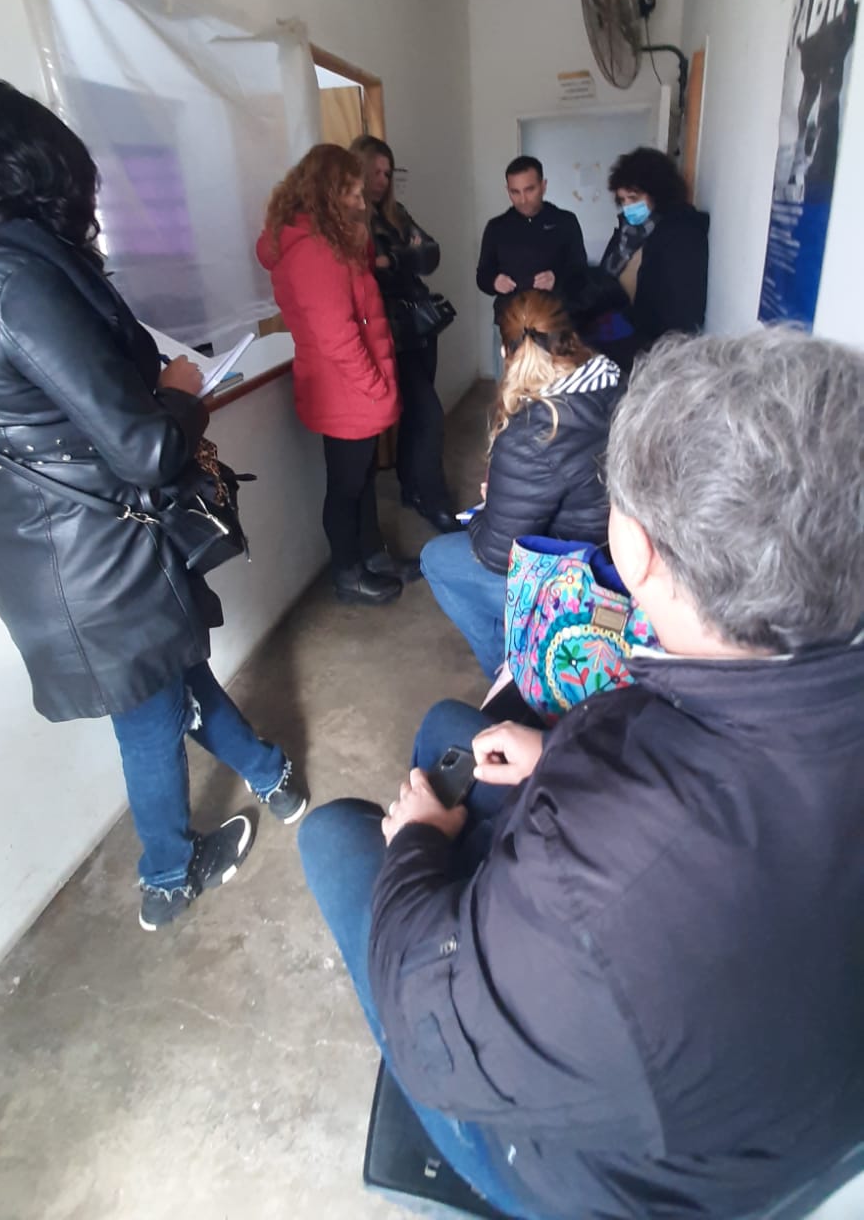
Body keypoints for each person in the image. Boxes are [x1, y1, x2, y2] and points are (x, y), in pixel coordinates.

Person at [299, 325, 864, 1220]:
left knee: (336, 834)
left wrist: (414, 851)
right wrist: (557, 754)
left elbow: (437, 1032)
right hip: (781, 1104)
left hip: (616, 1183)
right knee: (454, 730)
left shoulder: (601, 885)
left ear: (636, 550)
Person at [0, 80, 305, 934]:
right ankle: (167, 877)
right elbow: (146, 449)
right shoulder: (12, 282)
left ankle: (270, 774)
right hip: (98, 558)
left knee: (172, 680)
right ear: (34, 165)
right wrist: (182, 390)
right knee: (150, 718)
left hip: (42, 552)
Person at [421, 290, 620, 679]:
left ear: (504, 352)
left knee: (437, 558)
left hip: (574, 582)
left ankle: (514, 675)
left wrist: (485, 512)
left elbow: (497, 556)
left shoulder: (532, 434)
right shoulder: (614, 382)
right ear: (571, 338)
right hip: (613, 558)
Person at [258, 143, 413, 605]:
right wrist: (375, 387)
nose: (361, 202)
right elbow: (338, 337)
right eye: (352, 192)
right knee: (346, 487)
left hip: (344, 387)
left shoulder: (328, 241)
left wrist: (358, 233)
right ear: (327, 191)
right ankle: (349, 574)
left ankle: (374, 556)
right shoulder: (313, 251)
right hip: (345, 388)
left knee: (360, 480)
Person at [353, 133, 455, 534]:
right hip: (388, 331)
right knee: (429, 414)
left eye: (387, 172)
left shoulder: (396, 213)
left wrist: (393, 259)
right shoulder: (352, 219)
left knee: (416, 414)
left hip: (421, 326)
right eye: (374, 171)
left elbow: (431, 254)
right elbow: (367, 269)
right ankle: (433, 498)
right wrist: (406, 255)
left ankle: (412, 487)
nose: (382, 180)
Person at [596, 146, 709, 357]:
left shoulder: (680, 234)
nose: (628, 207)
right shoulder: (626, 232)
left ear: (658, 193)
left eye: (633, 198)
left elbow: (679, 310)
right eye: (622, 200)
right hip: (617, 335)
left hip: (653, 349)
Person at [476, 155, 587, 328]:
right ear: (507, 190)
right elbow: (482, 275)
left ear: (543, 186)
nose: (523, 199)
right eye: (515, 192)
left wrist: (557, 279)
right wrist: (494, 282)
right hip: (510, 323)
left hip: (556, 321)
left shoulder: (565, 221)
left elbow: (581, 271)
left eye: (529, 190)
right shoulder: (496, 227)